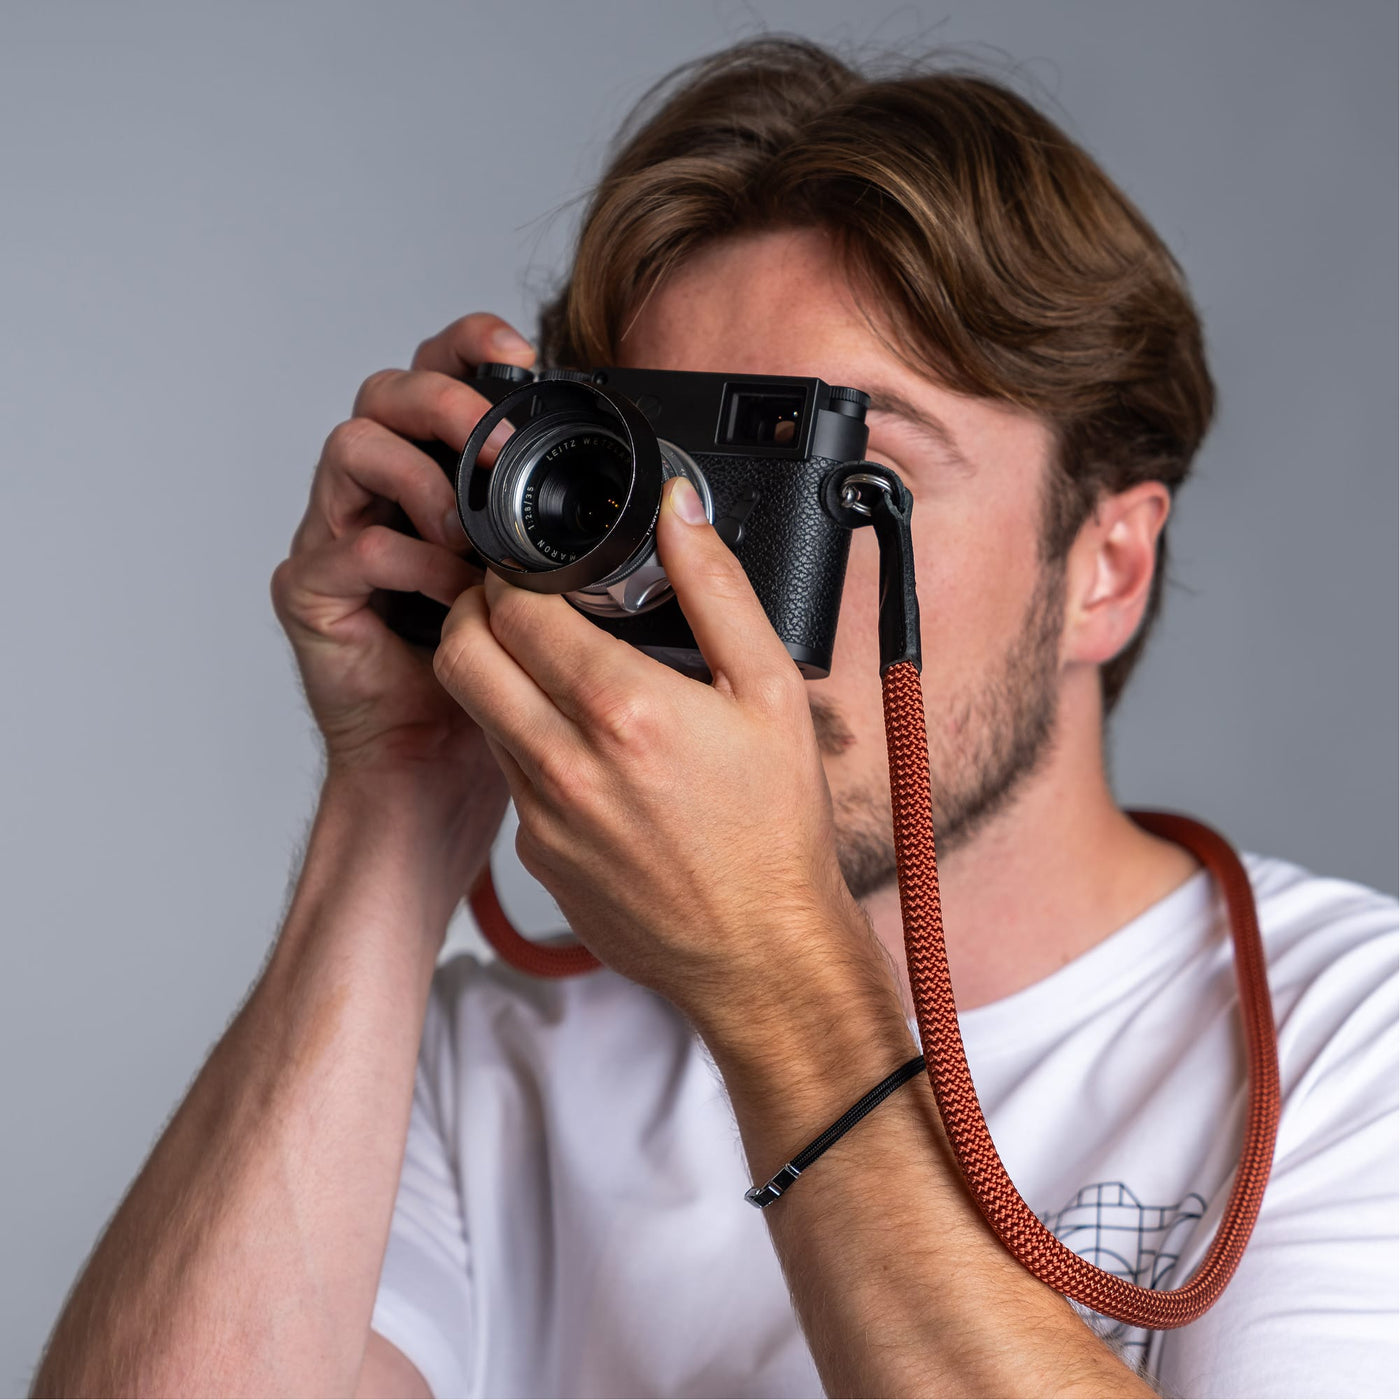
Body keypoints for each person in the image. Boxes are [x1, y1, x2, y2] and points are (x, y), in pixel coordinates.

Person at [33, 38, 1396, 1400]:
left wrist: (777, 996)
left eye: (854, 486)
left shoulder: (1350, 1042)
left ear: (1108, 567)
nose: (722, 590)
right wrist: (394, 796)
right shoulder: (479, 1070)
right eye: (680, 486)